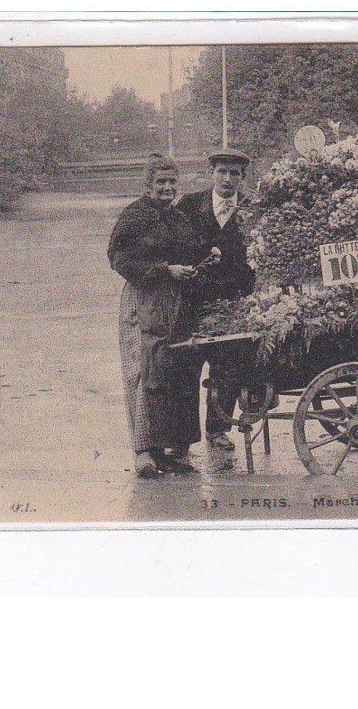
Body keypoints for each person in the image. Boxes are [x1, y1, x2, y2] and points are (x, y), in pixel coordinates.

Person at [108, 153, 214, 478]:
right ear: (148, 185)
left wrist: (206, 256)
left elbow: (190, 251)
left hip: (179, 301)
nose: (167, 188)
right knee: (146, 371)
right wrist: (164, 270)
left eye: (171, 182)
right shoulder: (134, 216)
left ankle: (178, 449)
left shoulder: (178, 217)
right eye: (160, 182)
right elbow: (117, 258)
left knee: (181, 368)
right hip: (145, 300)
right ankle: (146, 453)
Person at [176, 148, 256, 454]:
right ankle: (182, 439)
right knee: (187, 367)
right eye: (222, 171)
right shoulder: (189, 205)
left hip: (234, 302)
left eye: (234, 173)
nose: (227, 179)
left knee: (228, 367)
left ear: (242, 178)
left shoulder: (251, 209)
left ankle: (218, 429)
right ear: (211, 173)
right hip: (192, 301)